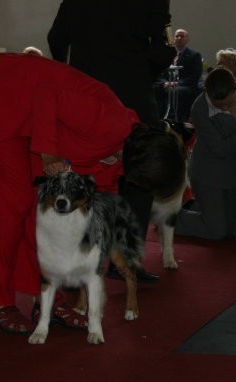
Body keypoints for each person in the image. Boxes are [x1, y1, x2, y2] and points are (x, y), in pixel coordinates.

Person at [0, 53, 185, 334]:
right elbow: (47, 95)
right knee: (10, 203)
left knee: (42, 214)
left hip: (37, 123)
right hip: (8, 96)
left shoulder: (123, 154)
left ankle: (45, 299)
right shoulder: (108, 122)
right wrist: (49, 150)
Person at [47, 0, 175, 283]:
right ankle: (127, 260)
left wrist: (68, 75)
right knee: (140, 176)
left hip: (85, 94)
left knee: (81, 174)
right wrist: (143, 74)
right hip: (134, 94)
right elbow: (162, 48)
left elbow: (56, 36)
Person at [174, 67, 236, 240]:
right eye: (219, 106)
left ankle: (199, 207)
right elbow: (222, 149)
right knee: (217, 232)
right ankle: (170, 219)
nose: (225, 107)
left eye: (228, 103)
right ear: (207, 93)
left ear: (235, 89)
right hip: (210, 173)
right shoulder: (199, 108)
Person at [154, 28, 203, 122]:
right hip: (167, 85)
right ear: (173, 39)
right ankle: (155, 118)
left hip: (184, 86)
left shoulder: (195, 55)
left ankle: (173, 119)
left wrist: (175, 83)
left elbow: (194, 76)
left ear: (187, 39)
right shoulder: (168, 55)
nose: (179, 38)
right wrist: (164, 83)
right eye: (177, 36)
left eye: (182, 36)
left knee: (174, 92)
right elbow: (160, 73)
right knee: (153, 87)